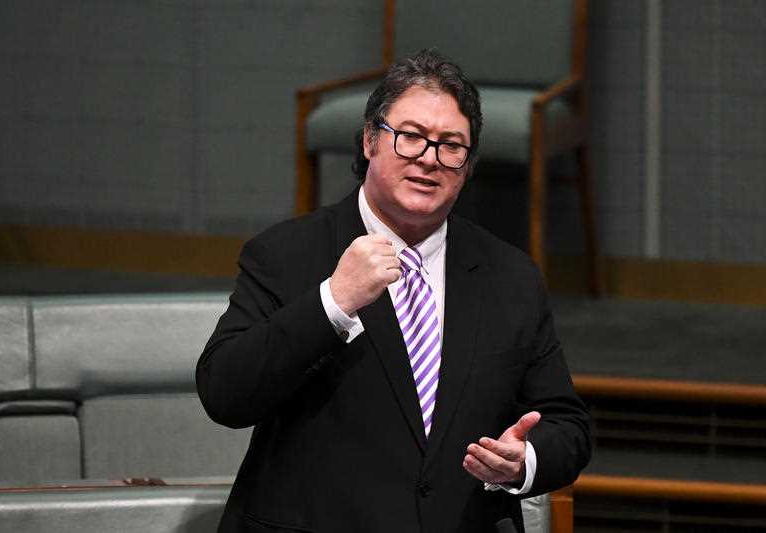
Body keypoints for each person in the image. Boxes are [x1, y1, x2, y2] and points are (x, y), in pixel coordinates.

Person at [196, 48, 590, 533]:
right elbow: (224, 393)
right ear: (368, 141)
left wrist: (523, 460)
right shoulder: (285, 254)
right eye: (410, 138)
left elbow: (567, 426)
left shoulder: (510, 277)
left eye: (451, 145)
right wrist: (332, 302)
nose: (429, 159)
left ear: (468, 166)